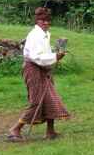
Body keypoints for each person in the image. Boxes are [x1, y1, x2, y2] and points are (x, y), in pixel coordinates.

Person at [7, 7, 69, 141]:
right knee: (36, 101)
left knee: (51, 98)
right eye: (42, 20)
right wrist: (55, 57)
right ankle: (15, 129)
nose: (46, 23)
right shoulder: (35, 35)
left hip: (43, 69)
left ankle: (50, 132)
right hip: (33, 69)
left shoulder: (45, 34)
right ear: (37, 21)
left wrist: (55, 55)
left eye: (48, 20)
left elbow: (44, 54)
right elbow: (36, 57)